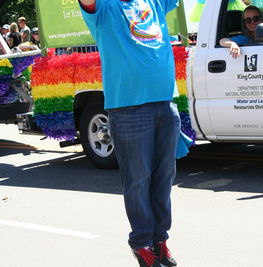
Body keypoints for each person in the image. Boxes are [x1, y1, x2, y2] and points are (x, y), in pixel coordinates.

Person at [78, 1, 180, 267]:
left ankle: (160, 239)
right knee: (138, 179)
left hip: (164, 102)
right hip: (128, 107)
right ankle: (142, 242)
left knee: (164, 177)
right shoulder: (105, 8)